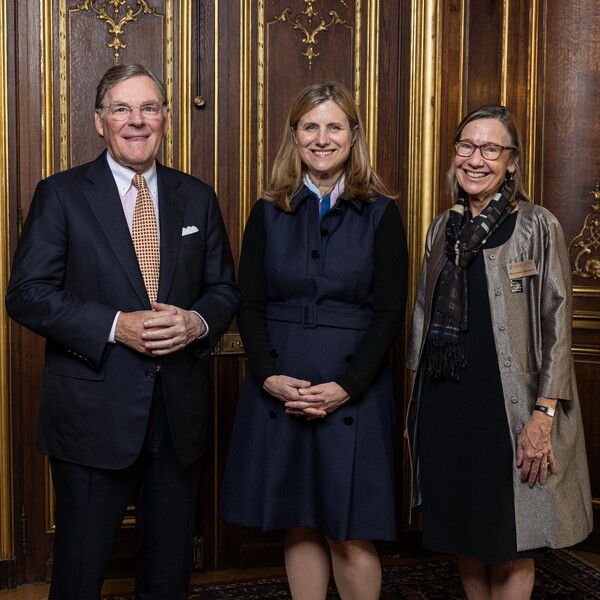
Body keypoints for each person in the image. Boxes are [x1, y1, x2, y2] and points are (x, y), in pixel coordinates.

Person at [5, 64, 239, 600]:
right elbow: (26, 293)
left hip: (177, 418)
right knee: (81, 575)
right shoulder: (61, 194)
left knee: (167, 574)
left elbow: (224, 290)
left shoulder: (197, 197)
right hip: (92, 418)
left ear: (166, 118)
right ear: (99, 121)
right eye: (122, 109)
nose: (137, 121)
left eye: (149, 108)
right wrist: (115, 326)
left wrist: (196, 321)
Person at [219, 81, 408, 599]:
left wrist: (347, 386)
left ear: (353, 135)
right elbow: (249, 304)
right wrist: (268, 376)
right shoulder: (267, 210)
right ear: (294, 136)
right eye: (310, 126)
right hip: (280, 386)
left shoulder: (382, 213)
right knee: (297, 521)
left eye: (334, 126)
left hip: (353, 391)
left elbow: (390, 314)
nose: (322, 138)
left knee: (348, 530)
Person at [405, 104, 593, 599]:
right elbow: (424, 318)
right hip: (449, 404)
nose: (476, 159)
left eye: (491, 149)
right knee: (466, 535)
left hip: (510, 411)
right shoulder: (441, 228)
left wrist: (542, 416)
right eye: (467, 146)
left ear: (511, 162)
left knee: (511, 544)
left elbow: (557, 326)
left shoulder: (536, 225)